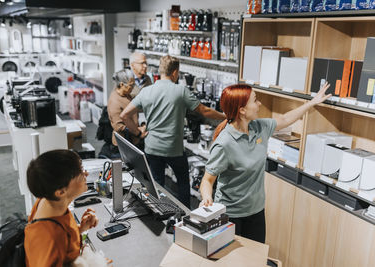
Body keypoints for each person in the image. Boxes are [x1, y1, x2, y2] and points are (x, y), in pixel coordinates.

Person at [199, 82, 331, 243]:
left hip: (256, 212)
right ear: (242, 110)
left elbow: (284, 119)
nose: (259, 104)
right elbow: (207, 179)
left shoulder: (259, 128)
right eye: (255, 101)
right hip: (230, 215)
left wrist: (312, 102)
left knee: (255, 259)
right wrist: (207, 198)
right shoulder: (224, 143)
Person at [120, 55, 225, 208]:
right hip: (173, 149)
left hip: (152, 147)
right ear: (175, 72)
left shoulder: (146, 91)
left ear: (160, 71)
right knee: (183, 183)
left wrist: (138, 132)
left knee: (157, 184)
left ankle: (159, 211)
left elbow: (124, 115)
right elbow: (205, 111)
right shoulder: (180, 91)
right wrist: (226, 116)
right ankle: (184, 215)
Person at [24, 149, 99, 266]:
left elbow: (64, 240)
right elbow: (56, 242)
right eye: (80, 174)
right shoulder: (49, 238)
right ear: (61, 191)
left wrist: (80, 229)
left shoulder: (48, 201)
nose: (86, 174)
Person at [107, 69, 145, 154]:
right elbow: (119, 126)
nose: (132, 88)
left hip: (134, 139)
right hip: (123, 144)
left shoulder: (126, 95)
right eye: (131, 85)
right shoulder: (114, 101)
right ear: (121, 84)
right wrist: (138, 132)